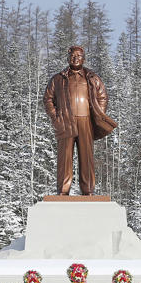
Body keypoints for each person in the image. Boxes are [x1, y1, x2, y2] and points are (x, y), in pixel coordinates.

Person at [43, 45, 110, 196]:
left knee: (86, 156)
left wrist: (98, 115)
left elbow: (103, 96)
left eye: (79, 56)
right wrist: (56, 117)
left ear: (84, 58)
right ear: (68, 58)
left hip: (85, 121)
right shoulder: (58, 78)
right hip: (66, 121)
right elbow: (48, 99)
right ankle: (63, 190)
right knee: (65, 157)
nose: (75, 58)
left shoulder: (92, 77)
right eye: (73, 56)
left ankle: (88, 190)